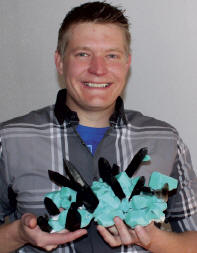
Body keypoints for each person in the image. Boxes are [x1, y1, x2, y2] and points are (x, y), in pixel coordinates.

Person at [0, 1, 197, 252]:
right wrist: (19, 234)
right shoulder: (10, 140)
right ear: (59, 62)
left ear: (127, 63)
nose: (98, 69)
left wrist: (153, 239)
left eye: (112, 55)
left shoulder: (164, 141)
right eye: (83, 54)